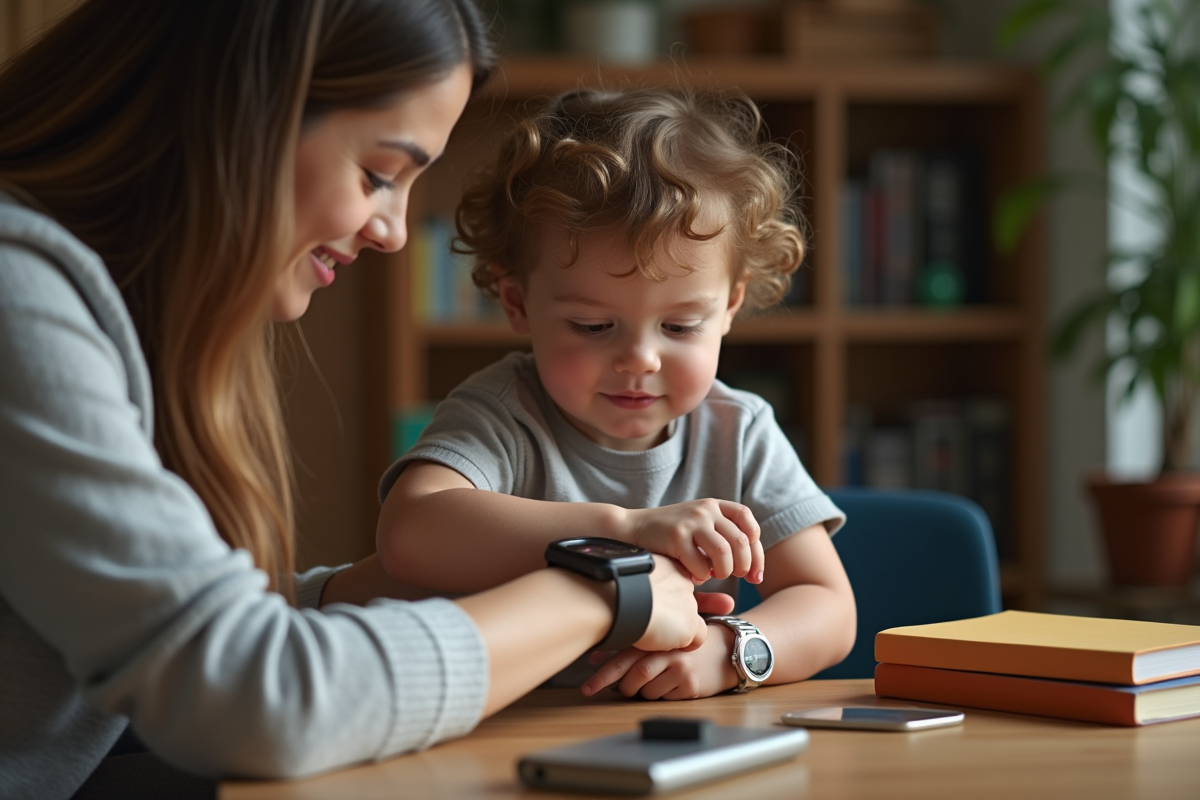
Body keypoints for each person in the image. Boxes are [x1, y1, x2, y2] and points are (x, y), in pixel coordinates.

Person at [0, 3, 734, 798]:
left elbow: (149, 650)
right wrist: (603, 589)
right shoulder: (15, 298)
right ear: (244, 114)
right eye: (381, 173)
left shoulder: (95, 306)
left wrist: (341, 595)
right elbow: (254, 700)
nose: (393, 231)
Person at [376, 87, 858, 700]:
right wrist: (625, 530)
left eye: (681, 326)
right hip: (515, 730)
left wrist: (728, 651)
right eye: (593, 326)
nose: (641, 359)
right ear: (517, 302)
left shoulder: (738, 428)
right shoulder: (504, 411)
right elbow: (409, 532)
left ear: (730, 305)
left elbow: (828, 605)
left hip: (682, 740)